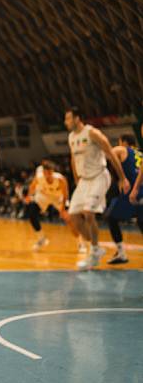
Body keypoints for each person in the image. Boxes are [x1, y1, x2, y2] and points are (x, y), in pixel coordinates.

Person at [65, 107, 129, 270]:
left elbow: (110, 153)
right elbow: (73, 159)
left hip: (100, 176)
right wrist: (77, 179)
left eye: (69, 119)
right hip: (84, 180)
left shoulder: (93, 133)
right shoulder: (71, 137)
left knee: (88, 213)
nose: (66, 122)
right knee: (73, 217)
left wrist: (122, 178)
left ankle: (93, 251)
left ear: (78, 119)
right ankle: (96, 247)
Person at [26, 160, 84, 252]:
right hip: (44, 196)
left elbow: (65, 195)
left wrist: (62, 208)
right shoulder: (39, 177)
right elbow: (32, 186)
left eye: (50, 172)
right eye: (46, 172)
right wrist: (28, 196)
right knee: (32, 213)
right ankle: (42, 239)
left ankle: (80, 243)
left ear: (53, 171)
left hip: (58, 198)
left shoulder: (60, 179)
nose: (48, 174)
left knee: (69, 219)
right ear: (43, 172)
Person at [105, 134, 143, 264]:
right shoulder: (140, 154)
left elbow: (110, 153)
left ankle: (121, 253)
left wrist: (120, 177)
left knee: (111, 217)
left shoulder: (123, 150)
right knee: (141, 221)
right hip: (141, 190)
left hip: (131, 191)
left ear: (124, 142)